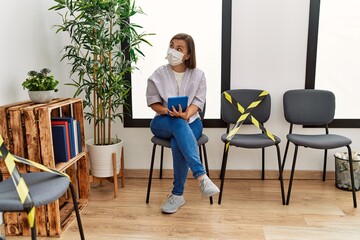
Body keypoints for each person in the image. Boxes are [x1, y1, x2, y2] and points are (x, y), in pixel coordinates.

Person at [146, 33, 220, 214]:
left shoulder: (198, 75)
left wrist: (186, 114)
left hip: (192, 121)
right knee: (178, 125)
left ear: (188, 55)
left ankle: (178, 195)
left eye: (179, 49)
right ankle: (201, 176)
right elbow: (153, 103)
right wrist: (168, 112)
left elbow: (198, 103)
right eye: (171, 46)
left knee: (179, 134)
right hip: (163, 121)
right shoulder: (158, 74)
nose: (173, 51)